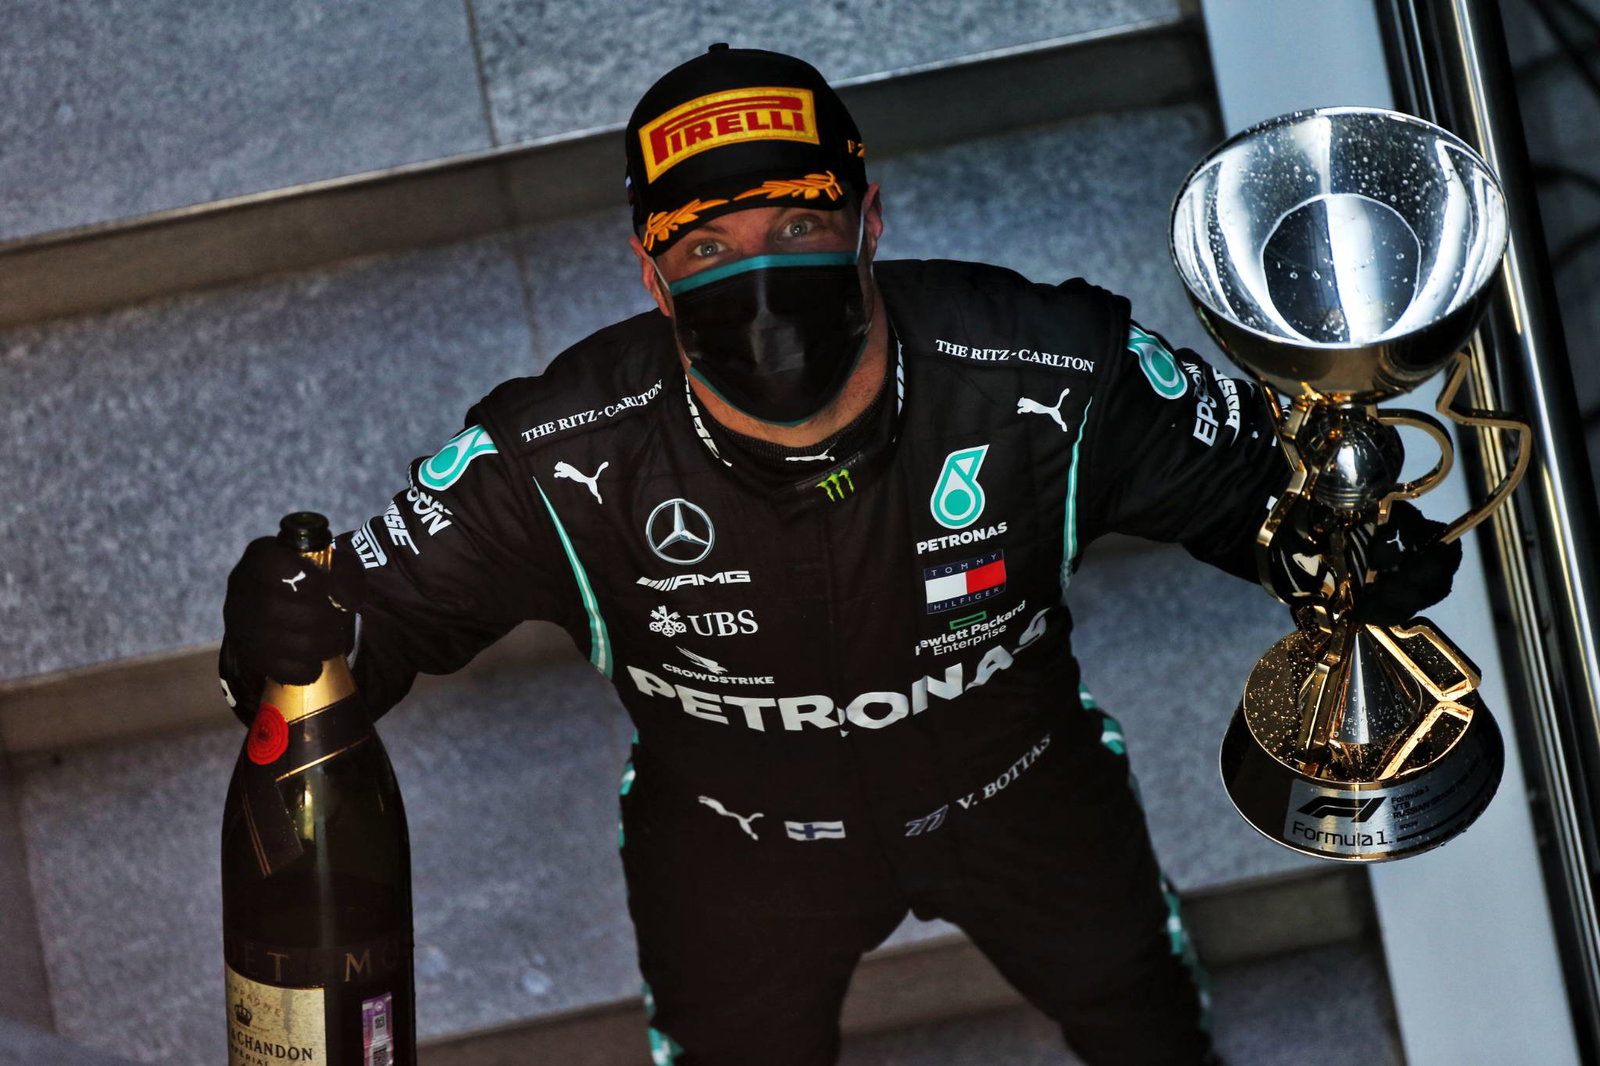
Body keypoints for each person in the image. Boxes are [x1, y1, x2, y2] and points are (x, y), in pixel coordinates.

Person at [221, 45, 1461, 1066]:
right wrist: (282, 633)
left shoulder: (1047, 368)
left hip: (1026, 793)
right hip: (733, 846)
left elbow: (1253, 493)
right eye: (707, 247)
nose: (759, 275)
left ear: (869, 219)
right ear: (651, 275)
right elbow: (363, 627)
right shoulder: (557, 455)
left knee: (1146, 1019)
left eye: (798, 220)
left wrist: (1345, 548)